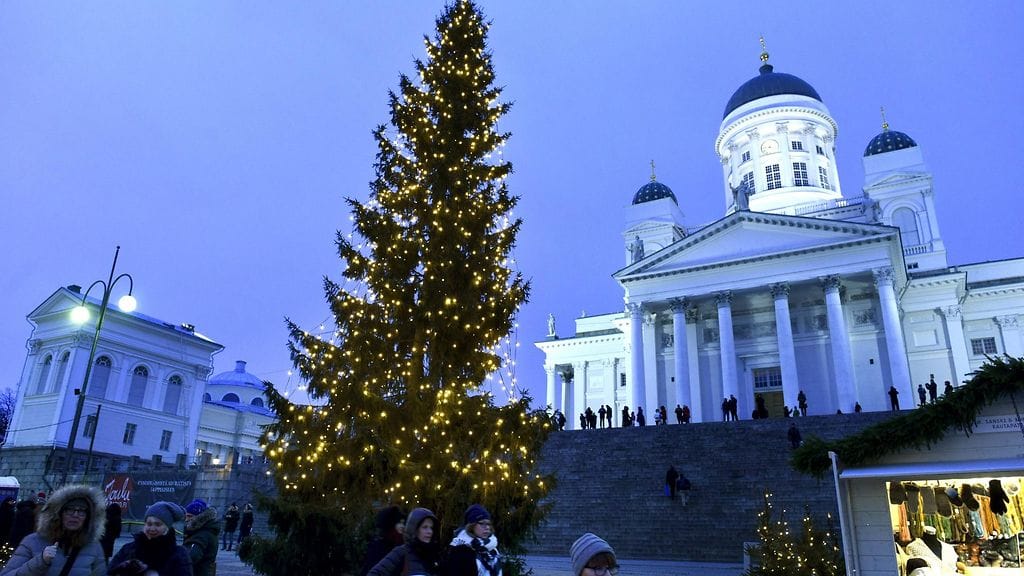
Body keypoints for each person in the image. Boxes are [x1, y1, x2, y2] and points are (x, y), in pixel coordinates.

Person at [0, 484, 106, 576]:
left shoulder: (94, 546)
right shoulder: (32, 541)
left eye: (82, 511)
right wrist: (40, 561)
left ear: (89, 517)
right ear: (58, 513)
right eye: (69, 510)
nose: (75, 515)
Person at [108, 501, 192, 576]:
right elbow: (109, 572)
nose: (152, 528)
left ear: (167, 528)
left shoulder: (179, 554)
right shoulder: (128, 549)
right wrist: (123, 568)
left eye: (158, 524)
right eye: (149, 524)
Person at [367, 507, 440, 576]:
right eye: (425, 527)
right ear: (414, 529)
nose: (429, 531)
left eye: (431, 528)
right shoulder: (402, 552)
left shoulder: (433, 556)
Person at [440, 504, 502, 576]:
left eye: (488, 524)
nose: (487, 527)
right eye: (482, 523)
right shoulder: (460, 550)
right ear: (471, 526)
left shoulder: (492, 548)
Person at [359, 506, 404, 576]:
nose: (402, 526)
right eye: (399, 523)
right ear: (391, 525)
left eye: (403, 523)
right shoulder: (378, 547)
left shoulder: (402, 545)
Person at [182, 499, 219, 576]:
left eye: (189, 516)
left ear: (199, 517)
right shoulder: (206, 530)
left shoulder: (202, 534)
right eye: (186, 516)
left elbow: (192, 556)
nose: (186, 520)